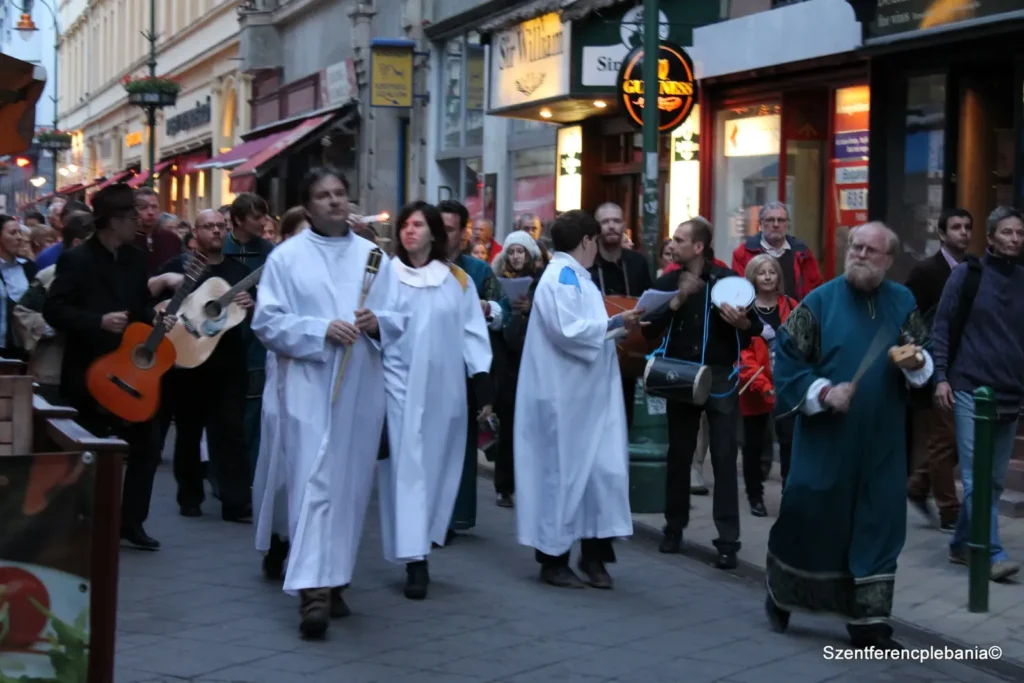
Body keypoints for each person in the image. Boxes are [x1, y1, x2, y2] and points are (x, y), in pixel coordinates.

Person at [764, 221, 933, 650]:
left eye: (870, 250)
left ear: (889, 260)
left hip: (882, 441)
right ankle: (783, 595)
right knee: (811, 516)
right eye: (855, 247)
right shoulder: (819, 302)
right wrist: (822, 391)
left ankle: (869, 624)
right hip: (827, 439)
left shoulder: (903, 301)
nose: (858, 254)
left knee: (880, 523)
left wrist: (917, 366)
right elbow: (786, 363)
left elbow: (921, 355)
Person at [251, 167, 402, 638]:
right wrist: (319, 329)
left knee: (350, 486)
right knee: (311, 483)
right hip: (307, 386)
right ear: (308, 205)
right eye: (323, 195)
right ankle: (312, 593)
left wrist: (378, 322)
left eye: (340, 193)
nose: (335, 201)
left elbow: (402, 316)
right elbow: (267, 322)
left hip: (359, 387)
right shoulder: (287, 257)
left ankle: (336, 579)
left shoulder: (375, 257)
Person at [514, 210, 643, 589]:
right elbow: (570, 331)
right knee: (562, 477)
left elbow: (590, 329)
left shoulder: (578, 278)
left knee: (603, 474)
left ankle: (595, 553)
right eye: (596, 240)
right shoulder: (561, 277)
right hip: (564, 399)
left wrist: (620, 327)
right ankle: (553, 559)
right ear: (587, 240)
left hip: (591, 399)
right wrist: (617, 324)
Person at [43, 184, 171, 550]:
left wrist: (157, 319)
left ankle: (131, 521)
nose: (138, 223)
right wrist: (98, 321)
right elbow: (55, 310)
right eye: (132, 217)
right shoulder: (77, 260)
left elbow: (141, 307)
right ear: (113, 221)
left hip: (132, 371)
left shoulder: (134, 260)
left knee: (147, 445)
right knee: (92, 450)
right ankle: (86, 521)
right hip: (89, 372)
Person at [378, 201, 493, 600]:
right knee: (408, 470)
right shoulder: (384, 275)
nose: (409, 231)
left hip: (445, 392)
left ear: (434, 234)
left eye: (418, 225)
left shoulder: (456, 280)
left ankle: (425, 540)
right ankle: (416, 561)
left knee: (436, 470)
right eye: (405, 225)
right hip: (398, 388)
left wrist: (483, 384)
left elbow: (473, 334)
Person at [645, 218, 763, 570]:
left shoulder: (728, 282)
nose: (673, 243)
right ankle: (673, 527)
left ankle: (728, 541)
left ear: (698, 246)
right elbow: (649, 330)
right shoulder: (668, 281)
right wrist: (678, 300)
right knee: (679, 455)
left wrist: (742, 324)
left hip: (721, 377)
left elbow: (754, 326)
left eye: (680, 240)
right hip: (680, 375)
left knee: (725, 459)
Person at [932, 207, 1024, 582]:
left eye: (1019, 233)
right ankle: (991, 553)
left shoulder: (1022, 280)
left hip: (1011, 392)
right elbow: (941, 325)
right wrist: (940, 376)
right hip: (971, 387)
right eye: (1006, 233)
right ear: (990, 237)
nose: (1014, 239)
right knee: (976, 478)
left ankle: (960, 544)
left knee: (996, 480)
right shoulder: (967, 275)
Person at [149, 209, 254, 523]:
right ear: (195, 233)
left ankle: (236, 501)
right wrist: (161, 311)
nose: (216, 232)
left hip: (228, 363)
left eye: (221, 227)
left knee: (231, 432)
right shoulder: (178, 267)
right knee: (189, 432)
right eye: (209, 227)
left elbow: (262, 314)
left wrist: (253, 303)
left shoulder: (239, 272)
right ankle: (189, 496)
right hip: (187, 359)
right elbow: (150, 304)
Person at [437, 200, 508, 537]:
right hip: (426, 371)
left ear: (463, 234)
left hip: (464, 373)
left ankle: (455, 516)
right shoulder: (414, 268)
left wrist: (488, 307)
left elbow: (502, 310)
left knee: (459, 447)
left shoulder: (477, 272)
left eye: (449, 229)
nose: (441, 236)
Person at [905, 208, 972, 531]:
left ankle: (918, 486)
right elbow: (909, 313)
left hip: (967, 364)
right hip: (933, 363)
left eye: (967, 227)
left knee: (958, 439)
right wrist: (919, 354)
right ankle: (950, 510)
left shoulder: (974, 270)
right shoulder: (926, 271)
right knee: (945, 438)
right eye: (956, 227)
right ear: (943, 234)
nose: (963, 232)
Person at [13, 211, 94, 404]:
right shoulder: (49, 276)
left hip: (95, 372)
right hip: (53, 370)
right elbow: (22, 313)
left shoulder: (107, 278)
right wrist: (52, 325)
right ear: (77, 244)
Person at [738, 254, 797, 517]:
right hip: (755, 388)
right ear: (752, 277)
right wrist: (762, 385)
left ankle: (790, 494)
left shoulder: (791, 306)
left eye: (772, 271)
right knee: (754, 446)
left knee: (789, 444)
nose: (768, 276)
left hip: (786, 386)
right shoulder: (744, 310)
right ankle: (755, 496)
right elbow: (742, 354)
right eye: (762, 272)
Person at [490, 231, 543, 508]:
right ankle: (504, 485)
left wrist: (530, 308)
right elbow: (494, 326)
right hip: (508, 365)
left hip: (534, 362)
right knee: (509, 425)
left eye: (520, 251)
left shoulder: (541, 283)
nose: (516, 257)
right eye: (511, 252)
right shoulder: (500, 285)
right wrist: (504, 310)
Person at [225, 193, 275, 479]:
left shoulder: (270, 252)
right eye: (256, 217)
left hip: (254, 340)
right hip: (221, 338)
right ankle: (225, 479)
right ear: (239, 220)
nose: (263, 222)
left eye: (264, 216)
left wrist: (257, 305)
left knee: (255, 412)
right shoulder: (221, 247)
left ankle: (252, 476)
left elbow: (278, 296)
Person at [731, 201, 823, 302]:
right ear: (761, 223)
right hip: (757, 314)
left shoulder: (802, 252)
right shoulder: (743, 252)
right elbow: (739, 289)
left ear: (787, 224)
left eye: (781, 220)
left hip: (795, 313)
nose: (775, 224)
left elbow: (815, 288)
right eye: (770, 220)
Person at [0, 215, 38, 359]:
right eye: (12, 233)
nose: (19, 237)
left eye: (19, 232)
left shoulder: (28, 267)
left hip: (24, 346)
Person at [134, 189, 183, 276]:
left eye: (154, 207)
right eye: (143, 208)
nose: (150, 212)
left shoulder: (171, 239)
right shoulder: (125, 241)